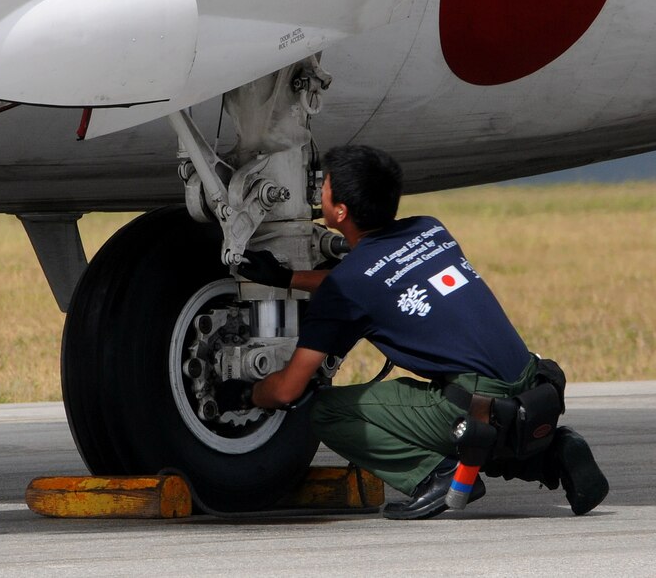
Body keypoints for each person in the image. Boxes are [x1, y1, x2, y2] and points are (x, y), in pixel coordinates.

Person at [215, 145, 609, 519]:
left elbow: (287, 390)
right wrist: (287, 278)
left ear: (339, 212)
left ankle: (436, 476)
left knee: (325, 411)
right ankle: (552, 453)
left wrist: (248, 393)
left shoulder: (347, 287)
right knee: (475, 422)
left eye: (325, 188)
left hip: (474, 400)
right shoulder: (429, 229)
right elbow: (378, 277)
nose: (320, 192)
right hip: (528, 383)